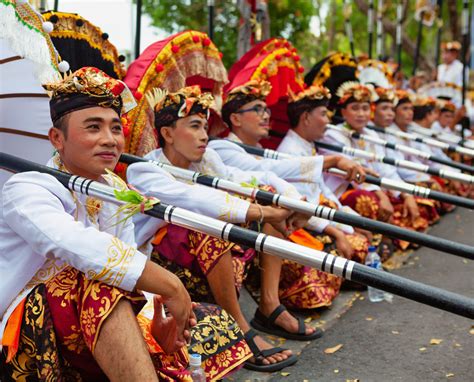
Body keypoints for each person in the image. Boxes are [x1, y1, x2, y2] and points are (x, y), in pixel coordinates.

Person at [0, 67, 249, 381]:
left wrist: (150, 319)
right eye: (93, 127)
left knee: (207, 322)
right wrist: (171, 285)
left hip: (101, 323)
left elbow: (129, 259)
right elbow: (77, 246)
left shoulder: (114, 188)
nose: (110, 139)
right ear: (57, 138)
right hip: (33, 337)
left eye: (116, 128)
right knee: (98, 282)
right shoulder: (27, 188)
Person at [127, 85, 325, 373]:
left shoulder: (206, 159)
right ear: (168, 134)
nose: (205, 135)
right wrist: (265, 210)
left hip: (203, 260)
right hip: (159, 269)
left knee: (262, 194)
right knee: (204, 222)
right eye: (194, 126)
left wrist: (291, 203)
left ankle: (269, 305)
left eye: (205, 127)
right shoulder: (144, 169)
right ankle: (241, 326)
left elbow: (248, 179)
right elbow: (195, 199)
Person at [321, 82, 433, 250]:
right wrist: (382, 196)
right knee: (369, 200)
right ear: (343, 111)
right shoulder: (332, 135)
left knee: (415, 202)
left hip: (374, 186)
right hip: (343, 191)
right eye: (355, 108)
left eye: (365, 108)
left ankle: (391, 235)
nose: (361, 114)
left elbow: (385, 169)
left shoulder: (371, 134)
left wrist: (405, 194)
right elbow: (356, 174)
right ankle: (385, 239)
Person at [277, 84, 371, 263]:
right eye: (323, 114)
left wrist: (351, 220)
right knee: (360, 247)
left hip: (322, 215)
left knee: (368, 235)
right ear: (305, 117)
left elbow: (324, 192)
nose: (328, 121)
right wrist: (341, 232)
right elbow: (302, 207)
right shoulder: (290, 151)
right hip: (304, 224)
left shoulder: (308, 145)